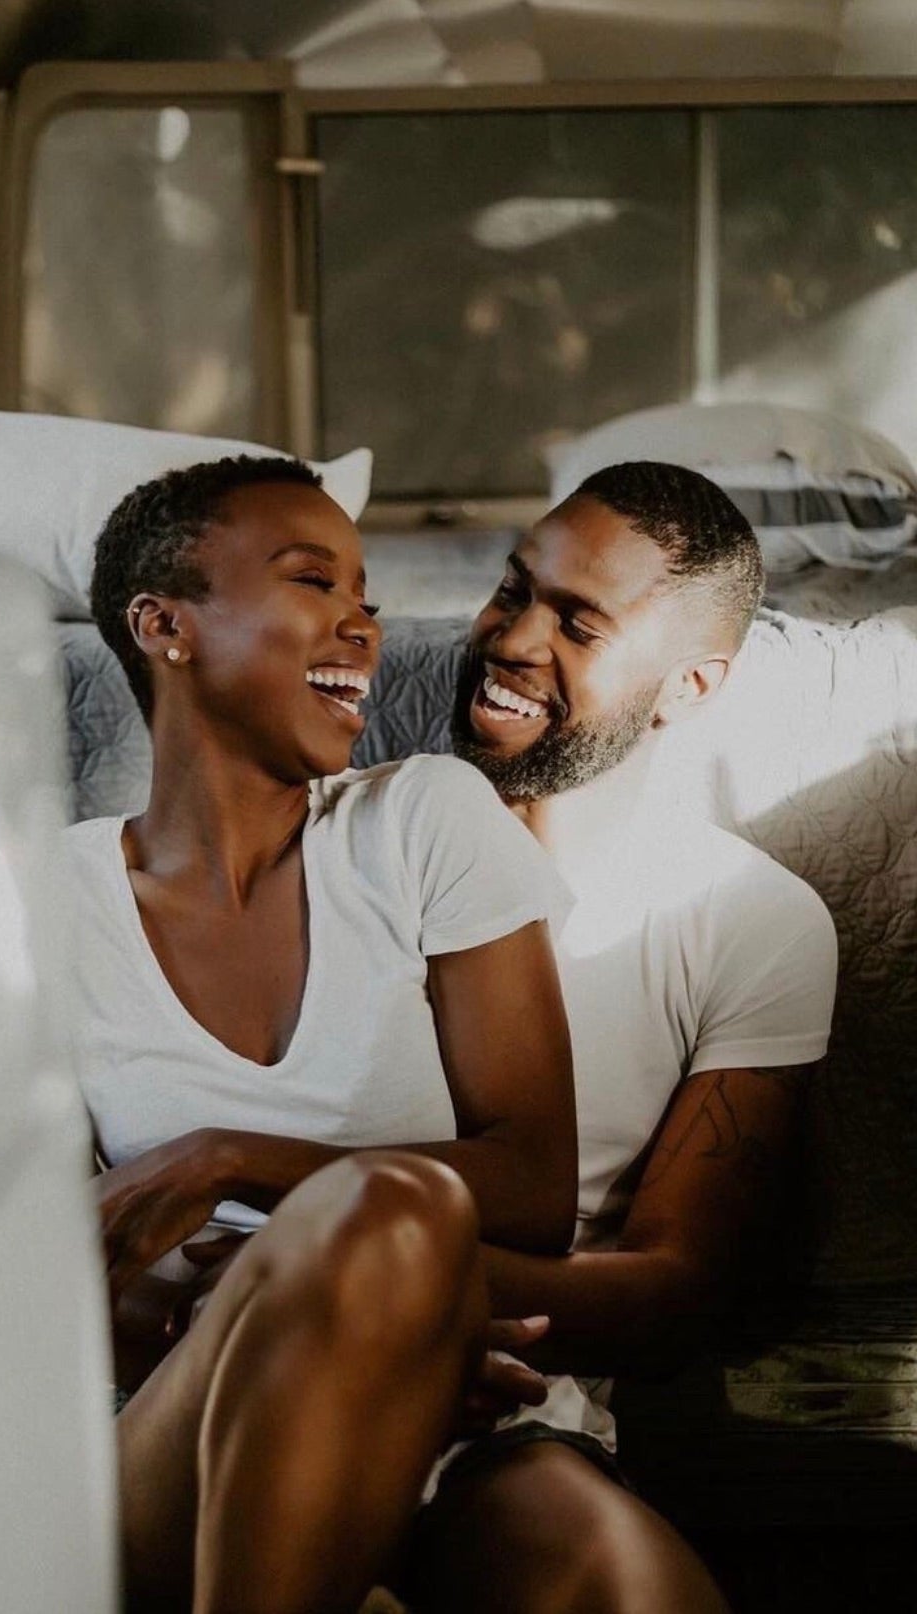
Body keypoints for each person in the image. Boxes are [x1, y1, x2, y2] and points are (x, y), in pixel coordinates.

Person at [58, 455, 579, 1614]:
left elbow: (534, 1183)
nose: (362, 623)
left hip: (461, 1418)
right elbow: (35, 1261)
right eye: (311, 582)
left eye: (366, 597)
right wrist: (303, 1322)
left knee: (633, 1594)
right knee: (385, 1213)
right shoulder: (38, 901)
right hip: (166, 1419)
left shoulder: (425, 822)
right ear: (164, 626)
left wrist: (224, 1159)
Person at [398, 461, 839, 1613]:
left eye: (576, 622)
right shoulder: (351, 835)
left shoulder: (750, 922)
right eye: (511, 590)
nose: (509, 637)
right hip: (249, 1351)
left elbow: (678, 1290)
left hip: (504, 1406)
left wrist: (387, 1291)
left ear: (690, 686)